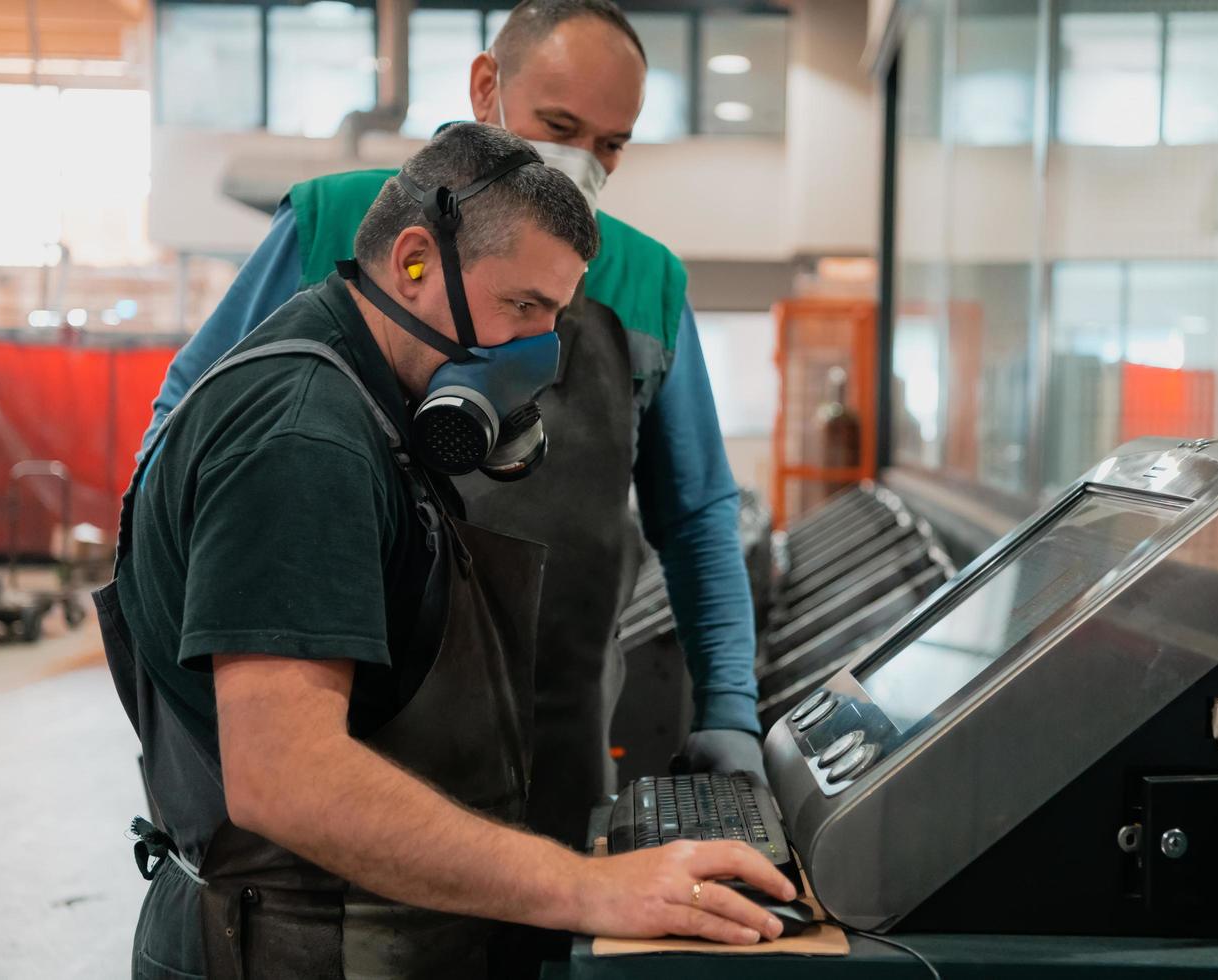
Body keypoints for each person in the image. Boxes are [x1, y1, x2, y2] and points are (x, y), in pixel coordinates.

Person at [99, 123, 796, 979]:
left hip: (348, 925)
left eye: (556, 315)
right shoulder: (303, 437)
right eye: (524, 308)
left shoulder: (368, 402)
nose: (543, 351)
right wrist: (588, 889)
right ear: (415, 262)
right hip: (285, 944)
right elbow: (287, 777)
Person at [142, 0, 764, 854]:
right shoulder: (340, 223)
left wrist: (731, 704)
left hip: (553, 744)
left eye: (610, 144)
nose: (579, 160)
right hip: (345, 752)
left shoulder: (646, 282)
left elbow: (696, 515)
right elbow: (185, 430)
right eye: (558, 124)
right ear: (486, 87)